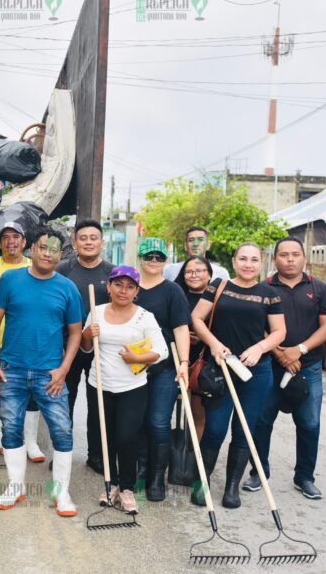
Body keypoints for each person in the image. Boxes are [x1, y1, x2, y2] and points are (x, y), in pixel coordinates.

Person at [0, 229, 83, 516]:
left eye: (54, 250)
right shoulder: (10, 280)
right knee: (11, 429)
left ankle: (61, 491)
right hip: (11, 370)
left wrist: (64, 369)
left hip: (50, 374)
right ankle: (15, 487)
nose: (47, 253)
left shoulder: (67, 288)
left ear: (60, 254)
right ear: (32, 248)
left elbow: (76, 333)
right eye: (43, 247)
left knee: (62, 431)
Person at [191, 243, 286, 509]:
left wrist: (260, 348)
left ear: (261, 263)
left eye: (254, 260)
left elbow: (279, 332)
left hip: (256, 372)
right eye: (243, 258)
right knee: (215, 428)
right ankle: (203, 482)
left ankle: (232, 487)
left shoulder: (269, 294)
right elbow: (197, 318)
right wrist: (212, 343)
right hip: (221, 369)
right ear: (234, 261)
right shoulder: (218, 286)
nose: (248, 264)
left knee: (244, 429)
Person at [243, 238, 326, 500]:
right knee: (261, 421)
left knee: (309, 422)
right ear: (275, 260)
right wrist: (280, 353)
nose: (290, 259)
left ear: (304, 257)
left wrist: (300, 350)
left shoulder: (319, 289)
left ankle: (305, 477)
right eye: (284, 255)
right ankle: (258, 473)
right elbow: (257, 325)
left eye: (295, 254)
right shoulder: (262, 288)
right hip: (268, 367)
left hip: (308, 366)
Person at [79, 265, 168, 512]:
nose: (123, 290)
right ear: (108, 286)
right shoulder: (96, 312)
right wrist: (87, 335)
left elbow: (163, 351)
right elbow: (87, 350)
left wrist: (138, 359)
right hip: (99, 386)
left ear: (136, 291)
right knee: (106, 438)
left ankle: (127, 487)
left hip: (132, 388)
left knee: (126, 438)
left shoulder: (144, 317)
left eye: (130, 286)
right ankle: (112, 485)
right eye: (118, 284)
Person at [134, 237, 191, 502]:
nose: (154, 261)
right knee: (138, 421)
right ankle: (141, 471)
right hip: (132, 366)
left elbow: (181, 328)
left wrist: (184, 364)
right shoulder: (129, 287)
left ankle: (158, 477)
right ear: (140, 258)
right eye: (149, 256)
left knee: (157, 422)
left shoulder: (173, 291)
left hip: (165, 367)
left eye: (159, 257)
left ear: (165, 260)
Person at [0, 222, 44, 463]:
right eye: (5, 237)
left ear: (25, 242)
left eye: (16, 237)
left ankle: (31, 442)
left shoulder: (35, 267)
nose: (11, 242)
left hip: (28, 340)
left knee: (31, 391)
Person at [56, 219, 112, 474]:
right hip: (67, 347)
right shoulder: (63, 269)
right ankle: (62, 452)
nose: (88, 242)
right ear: (74, 241)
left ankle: (97, 455)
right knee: (63, 402)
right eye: (83, 238)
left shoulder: (113, 273)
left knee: (98, 402)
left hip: (102, 348)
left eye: (93, 237)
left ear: (102, 241)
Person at [173, 255, 215, 436]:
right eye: (189, 271)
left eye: (199, 271)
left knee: (198, 413)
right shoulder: (175, 294)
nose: (193, 275)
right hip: (176, 360)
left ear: (209, 274)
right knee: (167, 413)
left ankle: (192, 455)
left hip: (204, 362)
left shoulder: (218, 299)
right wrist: (180, 338)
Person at [164, 226, 230, 282]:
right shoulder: (170, 270)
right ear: (185, 246)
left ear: (208, 245)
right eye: (191, 240)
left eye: (200, 240)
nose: (195, 244)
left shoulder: (221, 273)